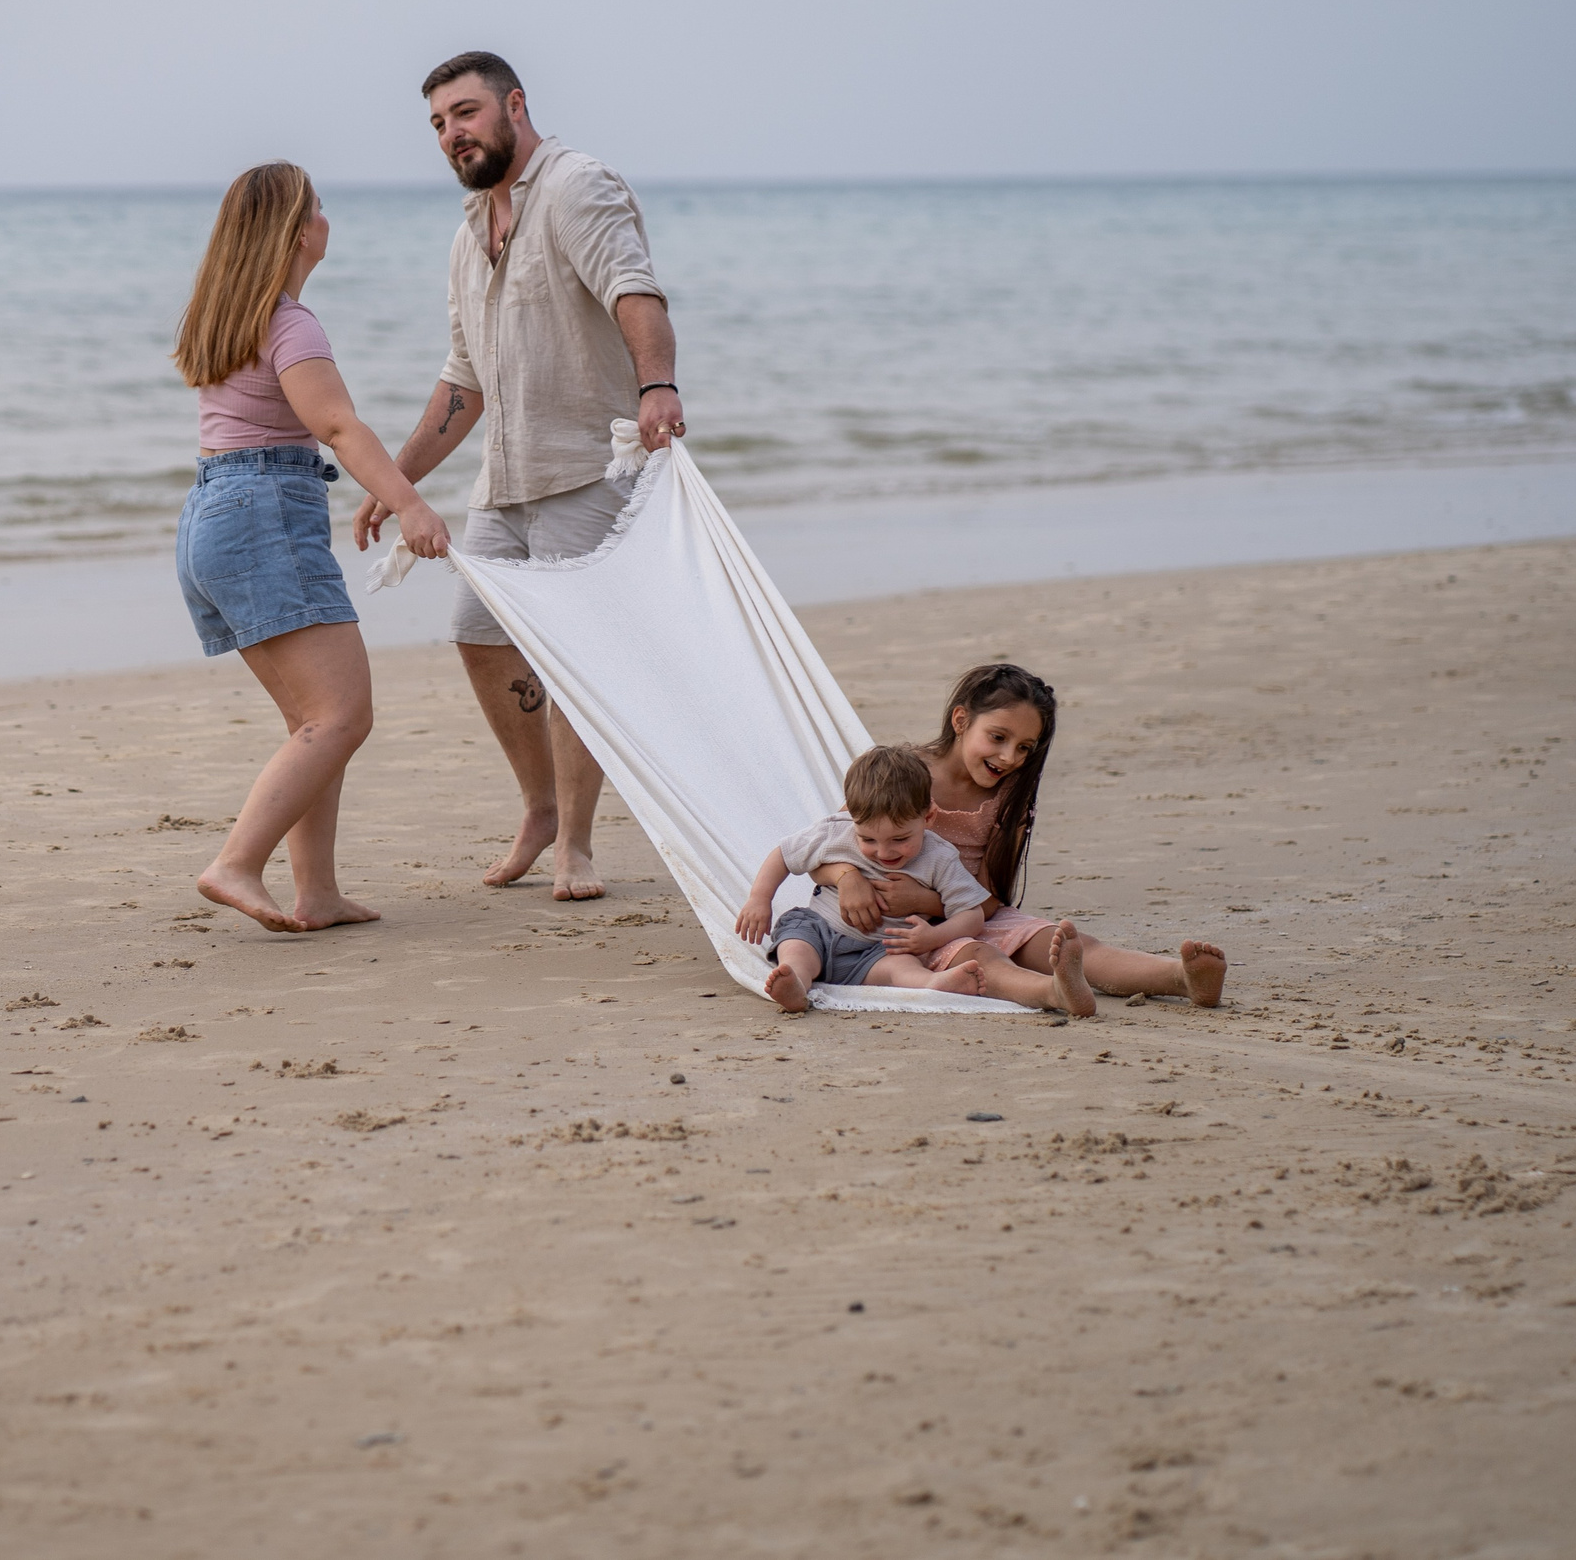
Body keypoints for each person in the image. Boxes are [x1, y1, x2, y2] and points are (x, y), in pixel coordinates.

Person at [350, 50, 682, 902]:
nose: (451, 134)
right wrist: (392, 482)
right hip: (505, 483)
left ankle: (575, 843)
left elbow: (634, 291)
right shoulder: (469, 231)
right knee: (478, 634)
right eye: (437, 124)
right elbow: (464, 380)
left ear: (514, 106)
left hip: (585, 471)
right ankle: (539, 809)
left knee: (576, 659)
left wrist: (657, 386)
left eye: (464, 113)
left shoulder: (578, 186)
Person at [172, 162, 450, 933]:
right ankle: (234, 863)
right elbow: (337, 427)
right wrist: (410, 504)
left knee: (313, 724)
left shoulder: (224, 314)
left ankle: (316, 893)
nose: (329, 217)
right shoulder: (292, 323)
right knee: (342, 716)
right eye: (320, 206)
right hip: (264, 513)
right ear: (300, 231)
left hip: (208, 517)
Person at [828, 663, 1230, 1006]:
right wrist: (847, 879)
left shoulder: (1010, 800)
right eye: (999, 738)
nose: (1009, 758)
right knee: (983, 960)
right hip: (896, 932)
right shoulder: (900, 775)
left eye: (1025, 747)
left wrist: (926, 898)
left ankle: (1180, 978)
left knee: (1067, 943)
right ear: (961, 720)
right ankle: (1053, 992)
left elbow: (990, 899)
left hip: (967, 915)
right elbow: (826, 846)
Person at [737, 745, 1097, 1014]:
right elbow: (784, 855)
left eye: (899, 839)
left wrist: (934, 937)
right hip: (819, 928)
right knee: (797, 946)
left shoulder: (938, 857)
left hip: (880, 951)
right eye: (868, 840)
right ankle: (796, 985)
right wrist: (759, 899)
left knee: (904, 968)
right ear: (852, 817)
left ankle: (937, 985)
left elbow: (971, 913)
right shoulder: (836, 831)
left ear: (928, 816)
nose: (883, 852)